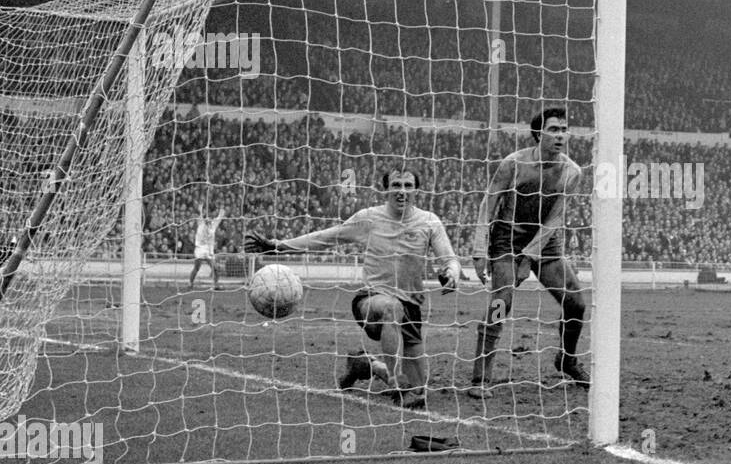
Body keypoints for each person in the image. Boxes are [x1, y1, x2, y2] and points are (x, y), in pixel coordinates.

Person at [244, 167, 459, 409]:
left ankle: (365, 365)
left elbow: (449, 259)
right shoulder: (368, 218)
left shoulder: (429, 221)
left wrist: (452, 273)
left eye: (408, 185)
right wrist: (278, 245)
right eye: (396, 185)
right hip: (371, 301)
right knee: (390, 308)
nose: (402, 191)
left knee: (420, 388)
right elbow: (326, 236)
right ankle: (396, 385)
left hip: (411, 308)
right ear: (386, 189)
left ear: (416, 190)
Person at [469, 108, 588, 399]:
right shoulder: (514, 163)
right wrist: (478, 245)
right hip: (506, 240)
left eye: (564, 129)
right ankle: (480, 378)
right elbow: (490, 201)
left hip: (544, 243)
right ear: (538, 134)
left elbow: (555, 219)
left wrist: (530, 258)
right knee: (502, 302)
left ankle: (567, 359)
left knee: (576, 303)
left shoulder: (572, 172)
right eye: (554, 129)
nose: (561, 135)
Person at [188, 207, 225, 290]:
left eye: (210, 218)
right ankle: (190, 283)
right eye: (207, 218)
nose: (209, 220)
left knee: (215, 268)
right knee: (197, 267)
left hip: (209, 250)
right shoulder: (201, 223)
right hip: (200, 248)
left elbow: (219, 218)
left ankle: (216, 284)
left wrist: (221, 213)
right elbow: (199, 216)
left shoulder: (213, 225)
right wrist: (200, 210)